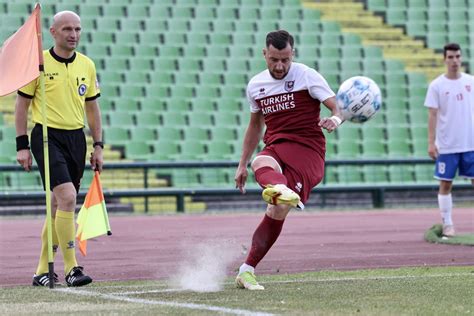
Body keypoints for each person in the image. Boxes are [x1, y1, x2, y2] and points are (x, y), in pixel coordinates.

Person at [234, 30, 343, 290]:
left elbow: (336, 106)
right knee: (260, 163)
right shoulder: (255, 85)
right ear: (265, 54)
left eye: (285, 59)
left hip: (308, 150)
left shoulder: (307, 75)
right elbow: (254, 126)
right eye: (274, 59)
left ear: (292, 53)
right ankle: (246, 272)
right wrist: (241, 164)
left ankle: (278, 190)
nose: (280, 65)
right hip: (276, 144)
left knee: (277, 208)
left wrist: (335, 119)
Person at [15, 11, 103, 287]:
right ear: (53, 32)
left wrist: (98, 145)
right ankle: (71, 267)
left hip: (76, 138)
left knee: (57, 205)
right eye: (67, 29)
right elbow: (22, 105)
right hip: (46, 136)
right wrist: (22, 146)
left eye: (77, 29)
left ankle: (42, 270)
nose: (73, 34)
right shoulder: (38, 63)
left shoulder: (87, 65)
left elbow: (92, 107)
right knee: (67, 197)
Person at [424, 42, 474, 237]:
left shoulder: (471, 82)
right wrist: (431, 142)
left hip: (470, 143)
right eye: (451, 57)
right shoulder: (437, 85)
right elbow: (432, 115)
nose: (455, 61)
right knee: (445, 183)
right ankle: (448, 224)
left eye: (458, 56)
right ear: (444, 59)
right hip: (447, 145)